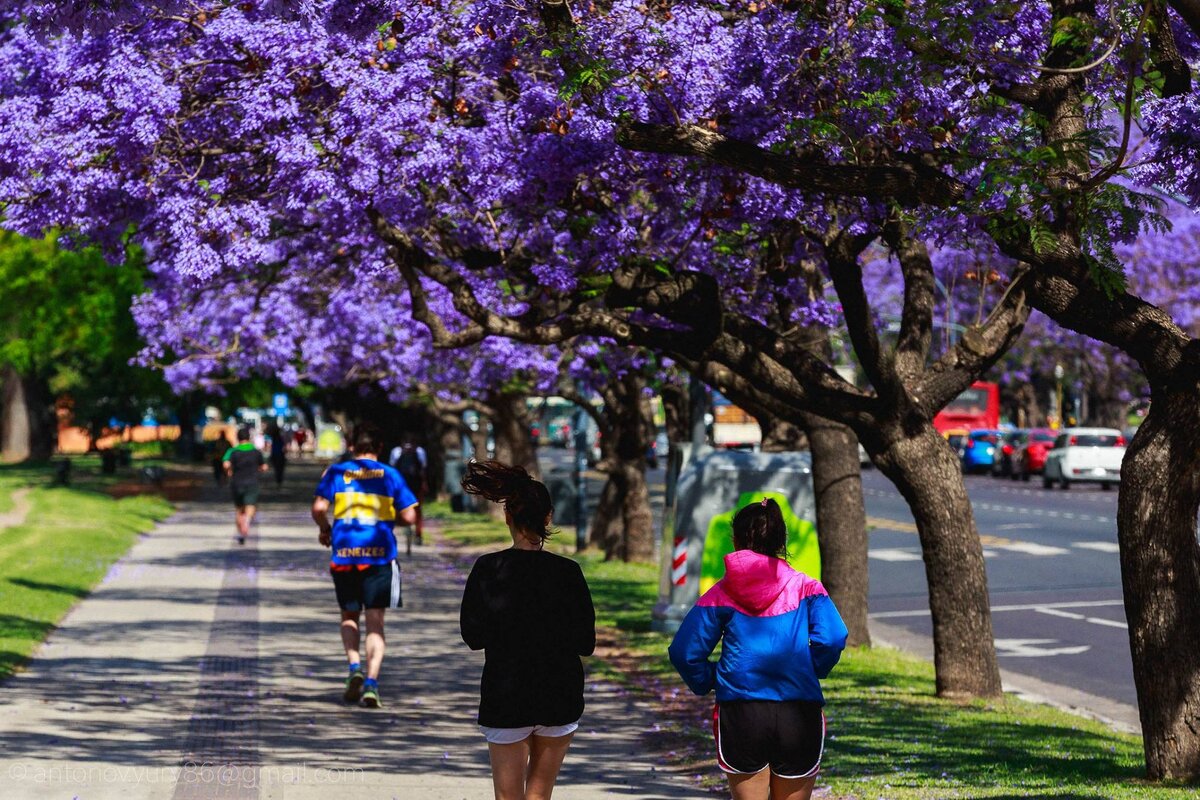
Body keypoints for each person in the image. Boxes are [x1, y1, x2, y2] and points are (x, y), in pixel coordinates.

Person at [668, 498, 848, 800]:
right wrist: (810, 668)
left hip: (741, 712)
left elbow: (685, 652)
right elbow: (832, 638)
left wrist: (712, 679)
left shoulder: (721, 592)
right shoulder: (807, 587)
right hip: (798, 713)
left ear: (736, 540)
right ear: (782, 541)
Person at [459, 460, 595, 800]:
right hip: (560, 694)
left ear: (508, 516)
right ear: (548, 518)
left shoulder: (488, 569)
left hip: (506, 696)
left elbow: (473, 637)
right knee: (539, 795)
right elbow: (586, 642)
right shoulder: (568, 572)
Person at [312, 424, 418, 708]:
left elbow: (319, 508)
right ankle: (371, 683)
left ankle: (354, 667)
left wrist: (326, 529)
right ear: (380, 448)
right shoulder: (391, 474)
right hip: (380, 555)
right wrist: (385, 520)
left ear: (351, 446)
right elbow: (409, 516)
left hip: (345, 554)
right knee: (375, 622)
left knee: (349, 616)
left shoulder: (336, 473)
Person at [223, 428, 267, 545]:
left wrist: (229, 471)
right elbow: (264, 467)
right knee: (251, 505)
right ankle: (247, 521)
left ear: (238, 438)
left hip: (236, 482)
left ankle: (240, 533)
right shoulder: (256, 451)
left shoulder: (232, 451)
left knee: (239, 509)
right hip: (252, 482)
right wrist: (259, 469)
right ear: (249, 437)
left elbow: (226, 464)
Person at [389, 439, 427, 544]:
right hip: (416, 485)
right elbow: (423, 469)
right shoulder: (420, 451)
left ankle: (391, 532)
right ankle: (418, 534)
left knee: (395, 508)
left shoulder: (396, 451)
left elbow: (392, 469)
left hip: (401, 485)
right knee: (418, 510)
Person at [267, 421, 287, 487]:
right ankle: (279, 480)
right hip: (279, 455)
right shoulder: (279, 437)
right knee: (279, 469)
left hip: (276, 454)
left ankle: (278, 480)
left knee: (277, 469)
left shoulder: (274, 437)